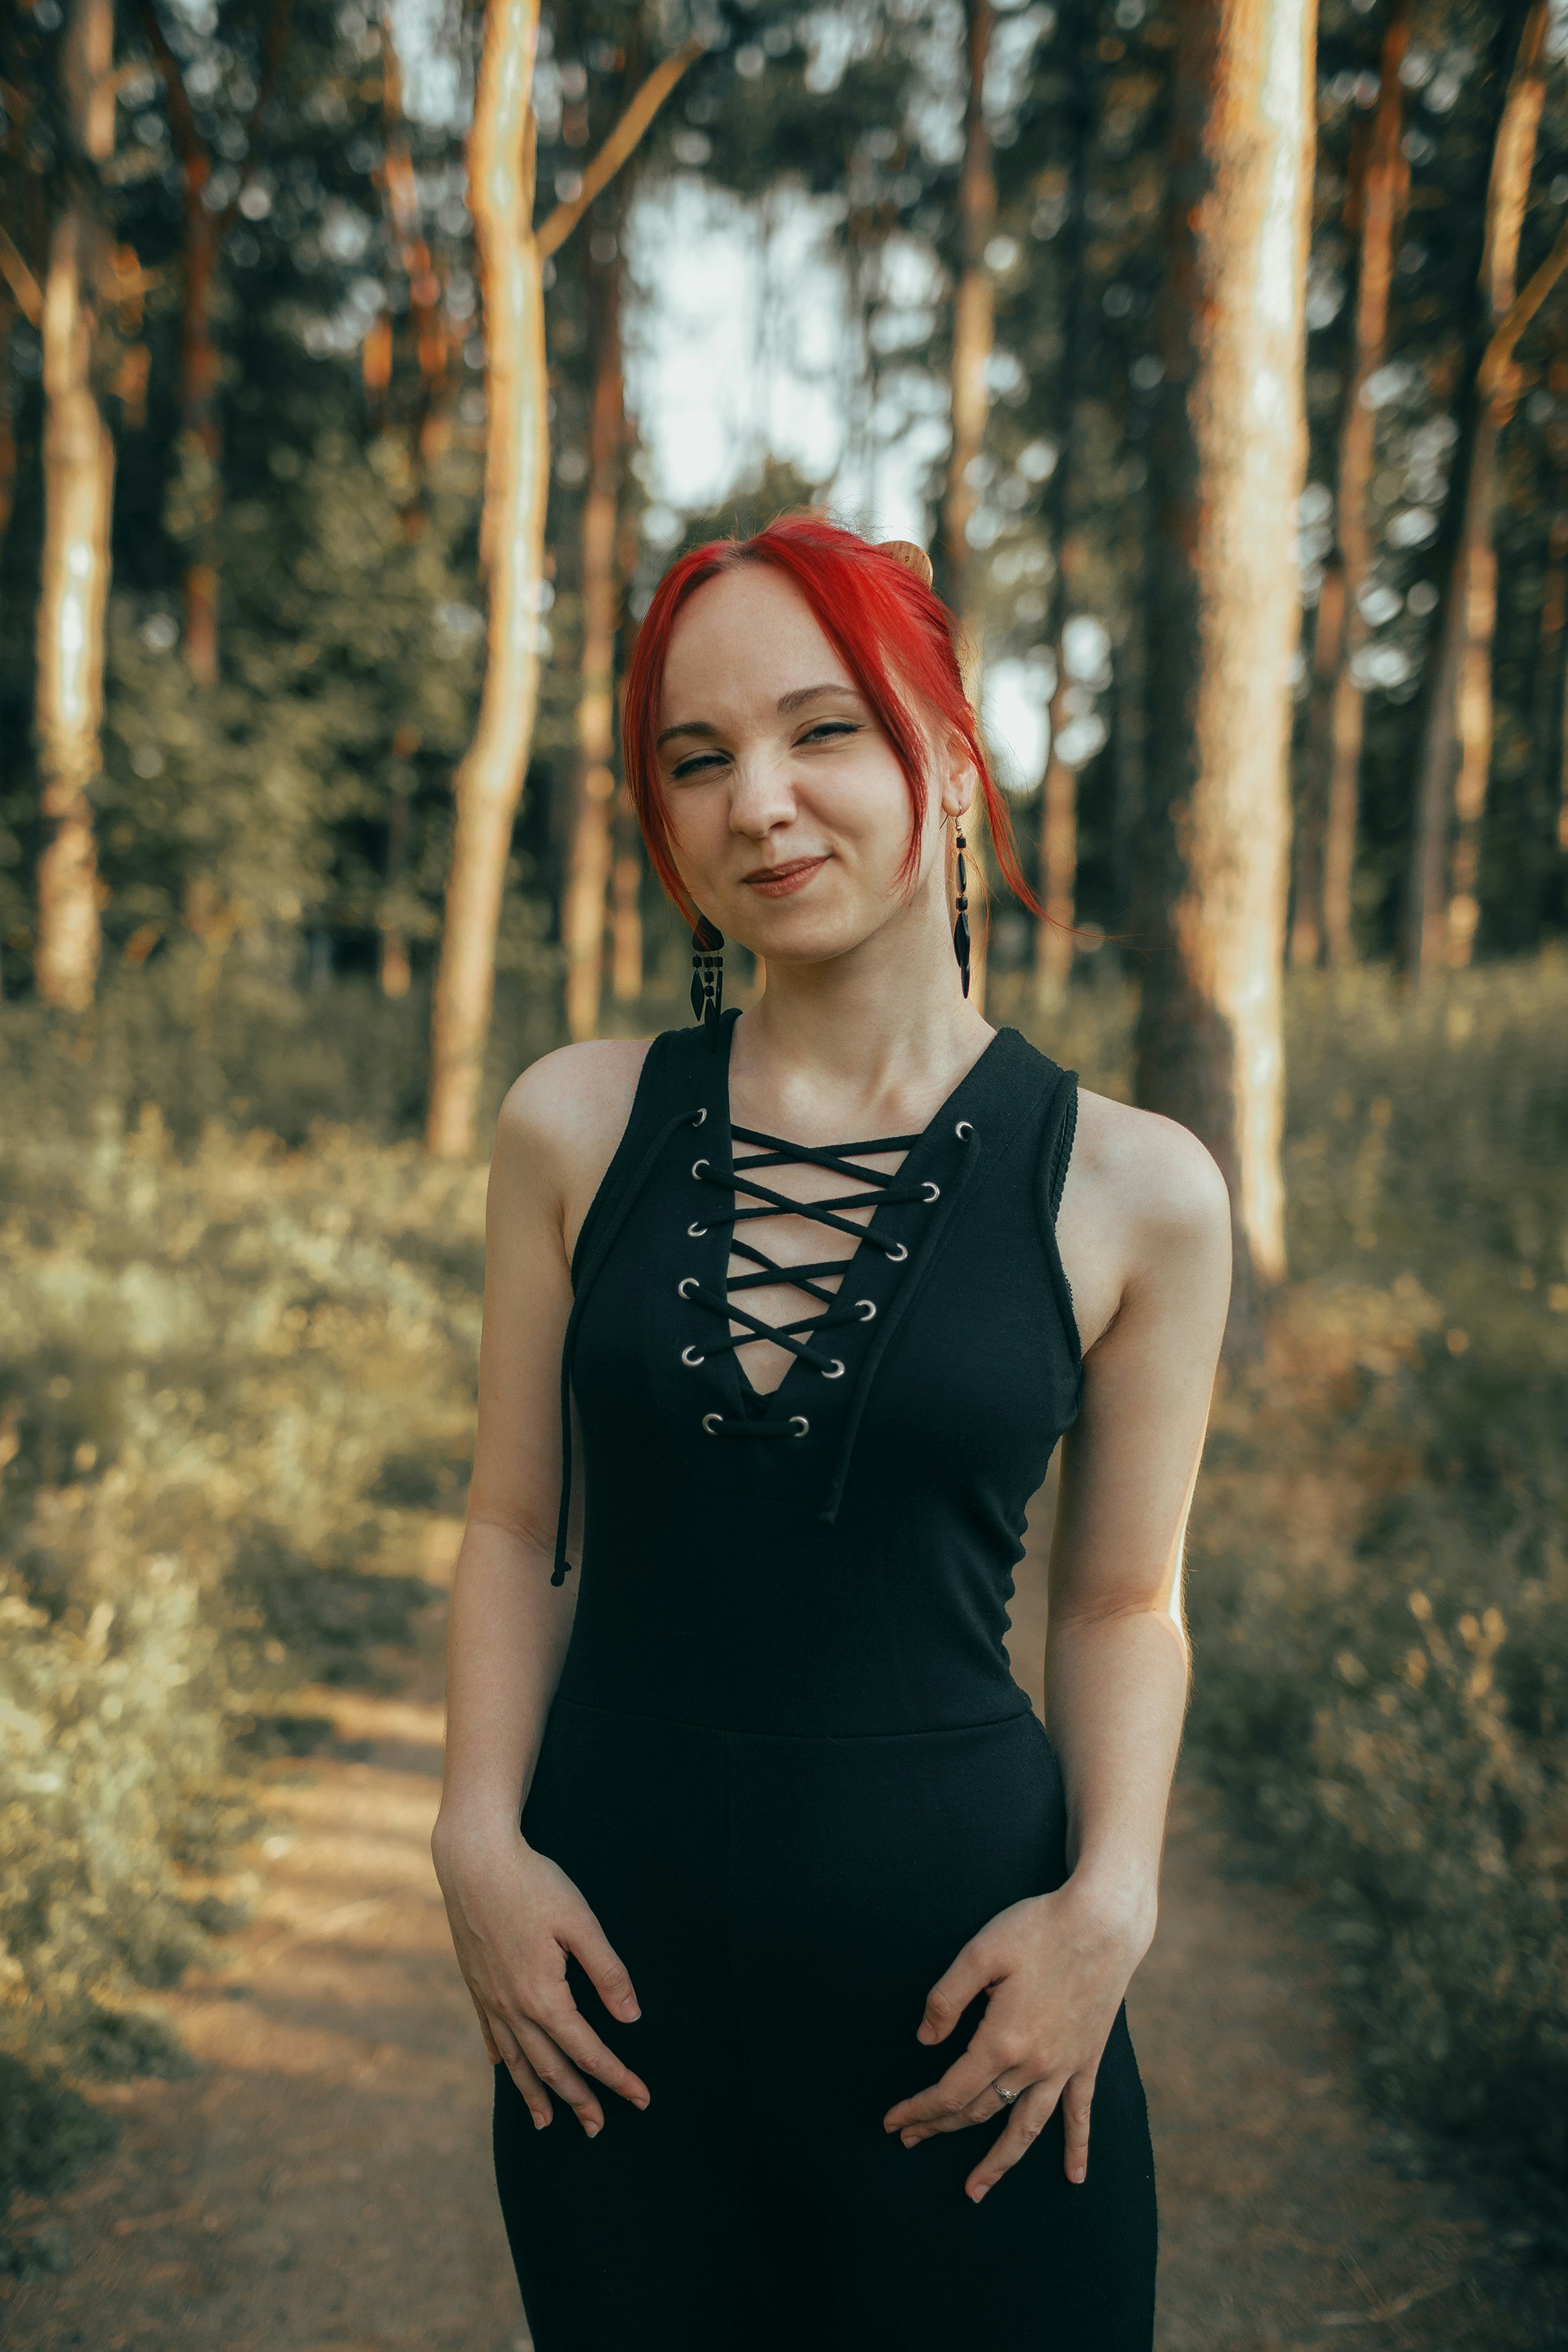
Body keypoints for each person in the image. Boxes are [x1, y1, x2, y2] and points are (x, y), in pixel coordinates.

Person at [430, 513, 1232, 2351]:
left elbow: (1121, 1604)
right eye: (696, 758)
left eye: (822, 730)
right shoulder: (573, 1125)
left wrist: (1110, 1907)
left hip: (974, 2019)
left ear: (944, 757)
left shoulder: (1136, 1188)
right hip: (607, 2015)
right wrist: (476, 1841)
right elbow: (513, 1524)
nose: (758, 804)